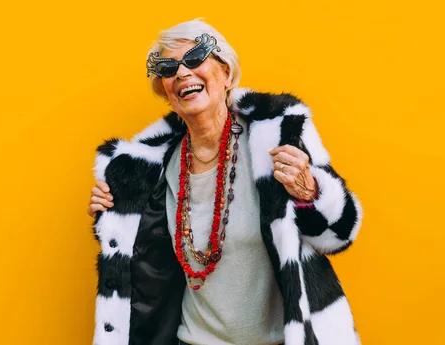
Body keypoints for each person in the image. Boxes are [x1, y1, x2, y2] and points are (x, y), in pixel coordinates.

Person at [87, 19, 363, 345]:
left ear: (227, 74)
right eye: (168, 68)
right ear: (166, 92)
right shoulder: (149, 168)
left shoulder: (277, 134)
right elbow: (144, 264)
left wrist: (311, 191)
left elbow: (339, 234)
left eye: (195, 58)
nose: (182, 73)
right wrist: (113, 219)